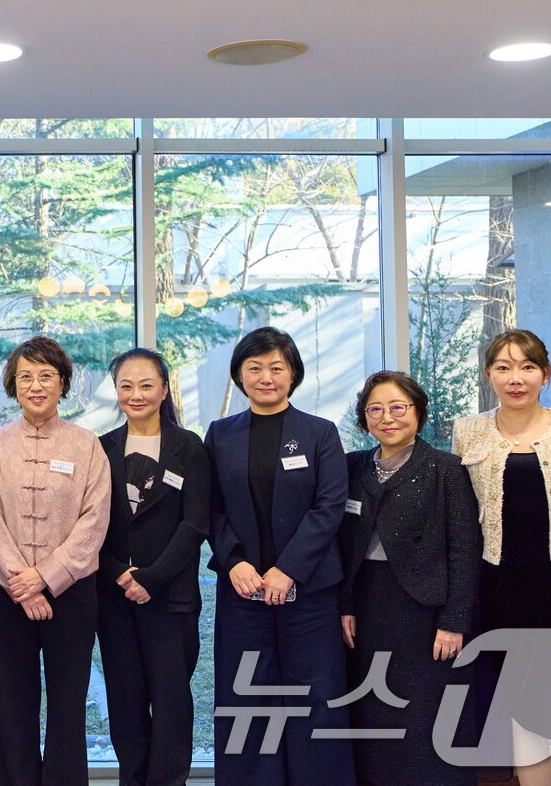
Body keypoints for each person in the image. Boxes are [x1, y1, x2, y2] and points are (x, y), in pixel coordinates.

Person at [453, 329, 551, 786]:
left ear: (545, 374)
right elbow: (461, 519)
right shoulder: (468, 430)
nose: (515, 378)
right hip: (500, 593)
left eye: (527, 367)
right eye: (503, 367)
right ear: (489, 375)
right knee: (523, 719)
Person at [206, 326, 355, 786]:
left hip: (309, 595)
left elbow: (329, 507)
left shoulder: (320, 433)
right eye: (254, 368)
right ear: (239, 375)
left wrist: (287, 570)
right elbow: (209, 507)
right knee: (246, 698)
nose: (265, 377)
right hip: (243, 592)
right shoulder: (220, 433)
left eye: (276, 367)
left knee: (315, 701)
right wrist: (235, 562)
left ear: (293, 374)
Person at [0, 336, 110, 786]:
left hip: (71, 596)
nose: (36, 386)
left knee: (68, 704)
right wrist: (22, 581)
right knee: (11, 704)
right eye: (25, 377)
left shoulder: (87, 445)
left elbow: (94, 521)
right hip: (7, 594)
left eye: (46, 376)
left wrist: (47, 578)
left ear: (63, 384)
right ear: (13, 386)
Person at [339, 371, 480, 786]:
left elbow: (465, 550)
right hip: (367, 606)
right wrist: (344, 605)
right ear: (364, 419)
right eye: (375, 409)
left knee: (426, 716)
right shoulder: (352, 467)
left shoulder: (446, 469)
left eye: (398, 407)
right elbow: (342, 547)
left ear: (417, 412)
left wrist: (454, 621)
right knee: (374, 711)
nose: (388, 417)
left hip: (425, 613)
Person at [96, 347, 209, 786]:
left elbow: (196, 522)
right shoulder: (102, 447)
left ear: (164, 389)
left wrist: (153, 578)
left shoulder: (189, 447)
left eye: (146, 385)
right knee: (125, 701)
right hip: (116, 598)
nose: (136, 394)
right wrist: (118, 574)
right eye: (127, 385)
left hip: (171, 598)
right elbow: (89, 523)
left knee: (171, 703)